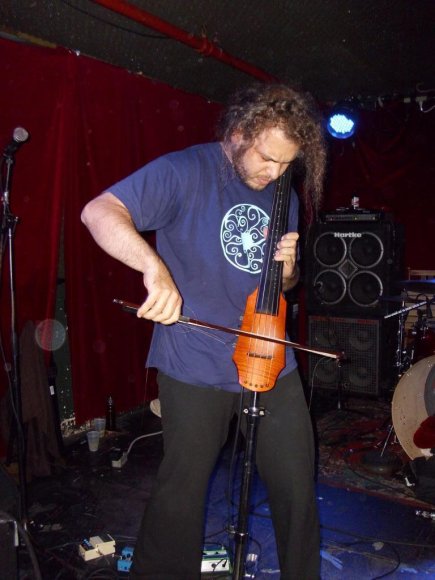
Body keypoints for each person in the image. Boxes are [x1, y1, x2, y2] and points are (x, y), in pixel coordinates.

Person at [81, 83, 326, 580]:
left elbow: (283, 286)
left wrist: (291, 268)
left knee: (297, 490)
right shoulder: (184, 170)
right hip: (194, 362)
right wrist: (154, 268)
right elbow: (99, 212)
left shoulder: (282, 191)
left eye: (287, 165)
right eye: (266, 159)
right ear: (239, 133)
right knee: (182, 492)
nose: (275, 174)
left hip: (272, 359)